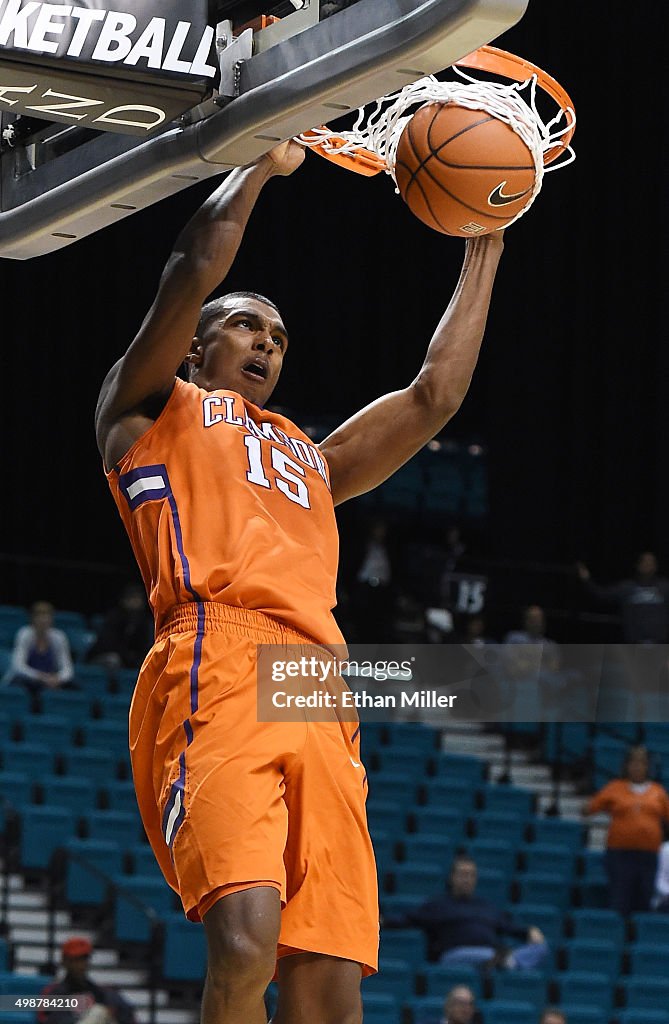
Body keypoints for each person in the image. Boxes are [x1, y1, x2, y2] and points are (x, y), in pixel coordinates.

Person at [95, 139, 504, 1024]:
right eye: (247, 326)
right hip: (214, 655)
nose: (266, 344)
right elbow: (191, 266)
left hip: (317, 683)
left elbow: (433, 395)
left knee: (326, 985)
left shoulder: (310, 460)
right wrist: (257, 167)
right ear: (199, 344)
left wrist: (486, 243)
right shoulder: (147, 408)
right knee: (244, 941)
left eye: (278, 338)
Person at [383, 856, 548, 969]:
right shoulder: (439, 905)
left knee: (541, 947)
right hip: (455, 955)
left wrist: (529, 931)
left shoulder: (486, 907)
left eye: (471, 875)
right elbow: (410, 919)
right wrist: (384, 922)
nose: (467, 879)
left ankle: (505, 961)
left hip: (490, 953)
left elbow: (508, 927)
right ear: (452, 877)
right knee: (491, 954)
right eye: (462, 874)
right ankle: (505, 961)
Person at [583, 745, 669, 915]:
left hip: (648, 856)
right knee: (620, 899)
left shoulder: (657, 791)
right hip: (620, 854)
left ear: (647, 766)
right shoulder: (615, 787)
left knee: (644, 899)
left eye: (642, 763)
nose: (637, 767)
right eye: (634, 762)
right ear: (626, 765)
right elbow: (589, 808)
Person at [38, 937, 136, 1024]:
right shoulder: (52, 992)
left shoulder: (102, 992)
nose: (80, 964)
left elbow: (127, 1014)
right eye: (75, 959)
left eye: (84, 959)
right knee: (98, 1012)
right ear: (65, 961)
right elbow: (49, 1020)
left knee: (102, 1012)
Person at [577, 552, 669, 643]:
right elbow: (602, 594)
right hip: (634, 645)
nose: (647, 564)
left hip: (660, 644)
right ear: (637, 565)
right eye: (644, 561)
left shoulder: (664, 587)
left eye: (650, 562)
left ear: (655, 566)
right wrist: (586, 579)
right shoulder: (626, 587)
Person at [6, 601, 74, 693]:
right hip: (27, 680)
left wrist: (58, 678)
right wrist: (40, 676)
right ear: (33, 619)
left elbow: (68, 669)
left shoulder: (59, 637)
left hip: (49, 680)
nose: (43, 621)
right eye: (40, 617)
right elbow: (18, 666)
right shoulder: (24, 634)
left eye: (47, 617)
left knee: (74, 686)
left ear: (51, 619)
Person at [86, 584, 153, 670]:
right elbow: (109, 645)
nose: (136, 602)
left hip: (128, 660)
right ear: (124, 600)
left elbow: (144, 645)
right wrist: (127, 656)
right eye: (132, 598)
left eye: (138, 599)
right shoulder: (114, 617)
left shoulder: (144, 621)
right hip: (103, 657)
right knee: (113, 660)